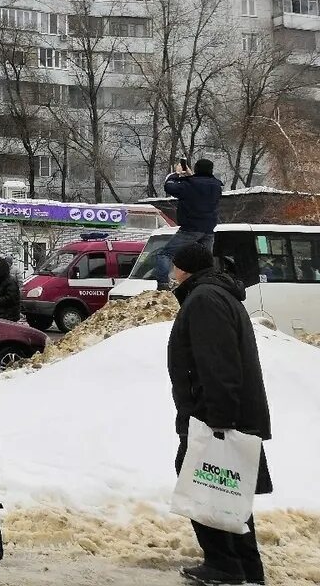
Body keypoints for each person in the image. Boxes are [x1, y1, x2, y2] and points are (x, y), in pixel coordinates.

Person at [168, 243, 271, 586]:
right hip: (222, 414)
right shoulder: (214, 294)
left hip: (216, 417)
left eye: (173, 266)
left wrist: (219, 422)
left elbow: (219, 365)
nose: (170, 272)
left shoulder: (204, 300)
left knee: (203, 485)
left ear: (183, 269)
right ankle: (244, 566)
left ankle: (225, 564)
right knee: (229, 489)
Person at [157, 158, 224, 289]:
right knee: (204, 262)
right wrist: (191, 175)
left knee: (164, 254)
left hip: (190, 229)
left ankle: (163, 285)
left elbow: (169, 186)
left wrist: (177, 174)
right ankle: (206, 285)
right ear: (211, 170)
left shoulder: (190, 184)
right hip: (209, 230)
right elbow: (201, 185)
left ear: (197, 169)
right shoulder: (216, 186)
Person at [0, 257, 21, 322]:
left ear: (0, 271)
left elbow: (9, 299)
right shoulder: (0, 282)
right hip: (1, 315)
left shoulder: (10, 282)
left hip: (9, 317)